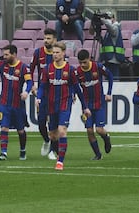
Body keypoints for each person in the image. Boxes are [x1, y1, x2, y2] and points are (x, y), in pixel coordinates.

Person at [36, 42, 91, 170]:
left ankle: (60, 162)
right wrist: (38, 98)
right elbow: (43, 86)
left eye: (57, 52)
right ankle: (56, 151)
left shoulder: (70, 70)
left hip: (65, 104)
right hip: (51, 104)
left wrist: (85, 106)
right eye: (53, 52)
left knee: (62, 131)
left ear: (63, 53)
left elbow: (78, 89)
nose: (55, 55)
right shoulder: (47, 69)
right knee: (53, 135)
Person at [0, 41, 33, 160]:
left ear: (14, 54)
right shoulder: (2, 65)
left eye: (7, 55)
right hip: (4, 104)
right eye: (4, 55)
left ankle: (22, 150)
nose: (4, 57)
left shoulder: (24, 68)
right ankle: (3, 152)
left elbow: (29, 82)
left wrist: (26, 91)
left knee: (20, 130)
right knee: (4, 127)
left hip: (18, 105)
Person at [75, 49, 113, 160]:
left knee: (99, 130)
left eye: (84, 62)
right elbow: (74, 85)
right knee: (89, 130)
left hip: (99, 102)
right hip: (86, 105)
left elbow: (110, 76)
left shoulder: (98, 67)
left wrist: (109, 93)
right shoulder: (77, 72)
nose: (82, 65)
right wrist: (73, 94)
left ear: (89, 59)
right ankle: (97, 154)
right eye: (80, 63)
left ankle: (106, 138)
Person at [30, 28, 58, 160]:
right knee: (41, 122)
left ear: (54, 40)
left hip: (56, 92)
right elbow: (30, 70)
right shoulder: (38, 53)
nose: (46, 41)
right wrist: (32, 85)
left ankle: (53, 150)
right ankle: (46, 140)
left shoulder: (58, 54)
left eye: (49, 38)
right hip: (42, 92)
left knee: (53, 123)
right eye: (45, 38)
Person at [99, 12, 125, 81]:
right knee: (108, 80)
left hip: (114, 59)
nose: (108, 20)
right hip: (107, 58)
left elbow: (112, 30)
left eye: (109, 18)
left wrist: (105, 21)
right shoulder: (108, 31)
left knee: (115, 80)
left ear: (113, 19)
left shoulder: (116, 27)